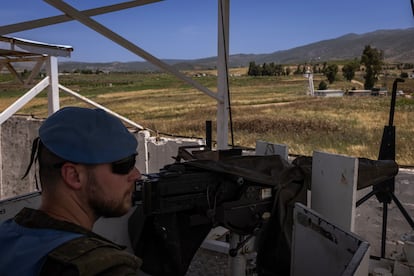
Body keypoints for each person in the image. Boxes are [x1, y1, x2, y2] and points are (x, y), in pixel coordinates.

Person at [0, 106, 143, 275]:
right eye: (124, 164)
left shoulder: (7, 237)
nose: (137, 175)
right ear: (74, 176)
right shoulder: (100, 268)